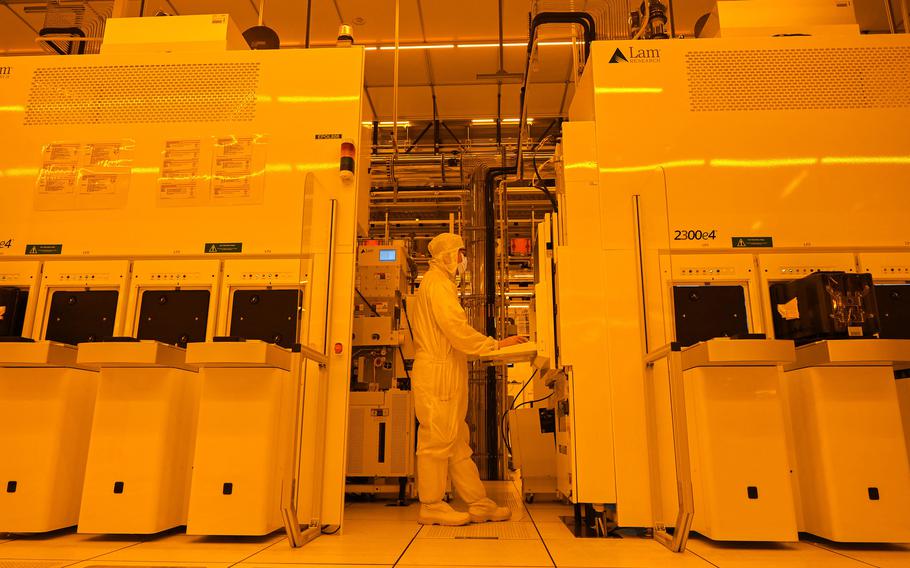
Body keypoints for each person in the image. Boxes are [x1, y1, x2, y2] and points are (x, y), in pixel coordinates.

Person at [410, 232, 528, 526]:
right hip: (438, 371)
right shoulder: (437, 285)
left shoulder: (439, 284)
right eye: (462, 254)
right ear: (449, 255)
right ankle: (431, 504)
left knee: (456, 441)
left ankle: (478, 502)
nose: (464, 260)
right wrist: (495, 345)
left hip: (447, 368)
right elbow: (456, 330)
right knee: (437, 440)